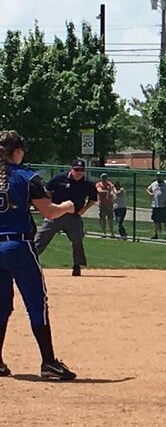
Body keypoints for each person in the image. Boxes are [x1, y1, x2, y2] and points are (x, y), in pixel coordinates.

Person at [0, 130, 77, 380]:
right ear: (18, 151)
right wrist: (67, 206)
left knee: (1, 305)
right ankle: (49, 362)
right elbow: (49, 212)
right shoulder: (27, 177)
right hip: (18, 246)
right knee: (36, 302)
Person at [34, 158, 97, 277]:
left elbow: (93, 198)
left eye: (81, 170)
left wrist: (84, 209)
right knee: (40, 239)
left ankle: (77, 265)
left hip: (73, 216)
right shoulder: (59, 178)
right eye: (76, 169)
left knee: (77, 240)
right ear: (71, 169)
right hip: (55, 214)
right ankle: (29, 262)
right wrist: (49, 205)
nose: (79, 172)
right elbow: (47, 190)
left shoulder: (87, 183)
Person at [146, 172, 166, 240]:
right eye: (157, 176)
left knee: (165, 221)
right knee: (155, 221)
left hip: (164, 206)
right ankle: (155, 234)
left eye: (160, 176)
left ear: (163, 176)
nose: (159, 177)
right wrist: (150, 193)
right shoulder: (154, 184)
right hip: (155, 205)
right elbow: (147, 189)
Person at [95, 173, 114, 237]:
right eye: (103, 177)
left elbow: (112, 191)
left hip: (110, 205)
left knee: (110, 219)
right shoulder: (98, 184)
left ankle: (112, 233)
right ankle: (104, 233)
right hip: (102, 205)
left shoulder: (110, 184)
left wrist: (110, 192)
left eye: (105, 177)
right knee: (103, 219)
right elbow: (99, 191)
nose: (104, 179)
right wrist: (107, 191)